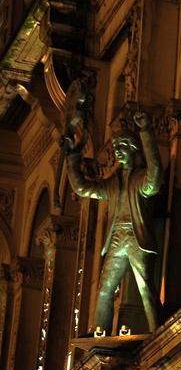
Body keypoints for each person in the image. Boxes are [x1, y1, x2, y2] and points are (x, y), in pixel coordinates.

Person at [63, 111, 163, 335]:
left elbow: (156, 174)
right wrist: (72, 158)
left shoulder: (142, 179)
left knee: (145, 286)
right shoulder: (112, 184)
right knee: (104, 289)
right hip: (117, 238)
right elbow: (82, 188)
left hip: (138, 238)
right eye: (116, 146)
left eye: (122, 146)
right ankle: (100, 330)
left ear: (134, 148)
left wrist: (146, 132)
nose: (117, 150)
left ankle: (157, 331)